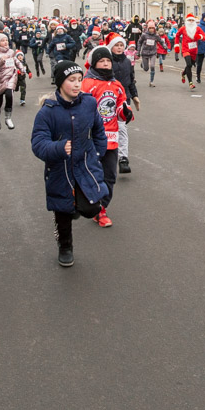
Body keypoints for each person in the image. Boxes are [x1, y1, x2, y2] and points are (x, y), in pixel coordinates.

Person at [32, 60, 109, 266]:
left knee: (92, 208)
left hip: (85, 166)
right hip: (60, 170)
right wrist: (57, 148)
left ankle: (76, 206)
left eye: (79, 80)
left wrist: (98, 153)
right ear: (59, 83)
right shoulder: (47, 112)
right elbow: (38, 143)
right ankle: (65, 246)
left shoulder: (89, 103)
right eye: (71, 80)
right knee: (63, 213)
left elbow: (99, 130)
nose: (77, 85)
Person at [81, 44, 133, 227]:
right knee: (92, 174)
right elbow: (80, 109)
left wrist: (124, 112)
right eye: (101, 61)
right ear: (94, 64)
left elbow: (119, 106)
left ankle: (101, 208)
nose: (105, 64)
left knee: (110, 175)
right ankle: (87, 202)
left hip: (111, 138)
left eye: (107, 61)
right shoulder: (87, 84)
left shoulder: (117, 85)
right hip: (91, 138)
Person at [108, 34, 139, 174]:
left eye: (121, 45)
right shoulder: (106, 61)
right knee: (106, 128)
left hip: (123, 99)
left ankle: (123, 159)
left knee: (121, 128)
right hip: (108, 99)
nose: (119, 48)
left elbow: (131, 80)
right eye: (116, 45)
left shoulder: (127, 61)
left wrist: (135, 96)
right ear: (111, 47)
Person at [0, 32, 22, 130]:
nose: (5, 42)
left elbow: (16, 60)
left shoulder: (11, 52)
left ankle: (8, 118)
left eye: (6, 40)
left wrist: (22, 68)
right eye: (2, 41)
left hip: (10, 77)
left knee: (9, 95)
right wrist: (0, 61)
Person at [173, 13, 205, 90]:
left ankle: (183, 73)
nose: (191, 21)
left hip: (194, 50)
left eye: (192, 20)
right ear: (187, 21)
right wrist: (177, 46)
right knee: (189, 64)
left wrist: (199, 36)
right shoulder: (183, 28)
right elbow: (177, 36)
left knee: (190, 65)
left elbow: (204, 37)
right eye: (189, 20)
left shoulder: (197, 29)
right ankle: (190, 83)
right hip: (185, 49)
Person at [137, 21, 163, 86]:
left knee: (152, 66)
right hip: (145, 53)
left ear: (154, 29)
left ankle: (151, 81)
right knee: (146, 69)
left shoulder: (156, 36)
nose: (151, 29)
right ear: (148, 28)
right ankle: (143, 64)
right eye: (150, 28)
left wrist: (165, 47)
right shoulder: (144, 35)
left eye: (152, 28)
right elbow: (139, 42)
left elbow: (161, 41)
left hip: (153, 53)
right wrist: (138, 51)